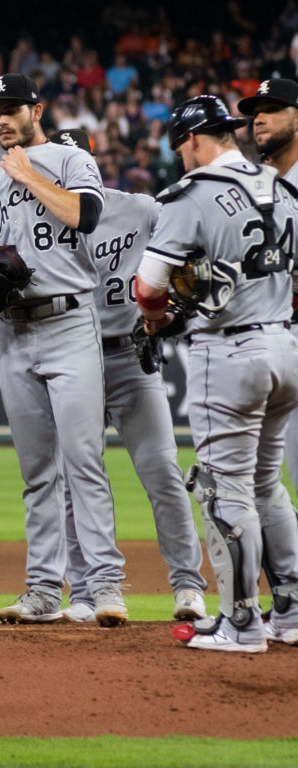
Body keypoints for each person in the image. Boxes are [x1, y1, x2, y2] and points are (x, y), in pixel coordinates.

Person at [0, 74, 128, 626]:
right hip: (14, 331)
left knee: (84, 460)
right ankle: (42, 591)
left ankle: (104, 586)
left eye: (10, 109)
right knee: (37, 471)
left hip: (70, 323)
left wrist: (29, 175)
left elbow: (85, 216)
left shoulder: (71, 161)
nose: (1, 120)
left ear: (37, 109)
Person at [136, 95, 298, 652]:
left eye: (181, 146)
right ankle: (293, 613)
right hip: (286, 345)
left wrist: (157, 322)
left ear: (194, 141)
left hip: (228, 355)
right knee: (266, 484)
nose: (181, 157)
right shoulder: (282, 187)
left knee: (222, 487)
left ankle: (242, 622)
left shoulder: (192, 194)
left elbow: (148, 288)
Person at [49, 129, 207, 623]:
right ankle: (86, 594)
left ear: (91, 163)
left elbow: (188, 254)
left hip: (129, 358)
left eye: (77, 159)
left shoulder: (140, 209)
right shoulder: (42, 222)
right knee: (76, 481)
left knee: (161, 471)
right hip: (73, 361)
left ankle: (188, 586)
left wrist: (178, 305)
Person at [238, 80, 298, 539]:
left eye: (274, 109)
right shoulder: (254, 188)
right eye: (256, 111)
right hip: (275, 345)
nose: (259, 118)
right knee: (262, 483)